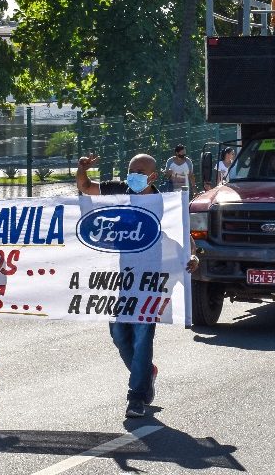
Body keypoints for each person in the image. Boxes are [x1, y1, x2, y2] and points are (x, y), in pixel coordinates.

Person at [76, 152, 199, 419]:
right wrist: (82, 169)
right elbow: (85, 188)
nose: (133, 176)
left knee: (143, 335)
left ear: (153, 176)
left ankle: (136, 396)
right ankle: (146, 373)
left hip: (150, 280)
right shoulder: (119, 191)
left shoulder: (163, 202)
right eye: (131, 170)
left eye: (140, 173)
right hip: (120, 278)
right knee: (119, 334)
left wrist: (192, 256)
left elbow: (181, 230)